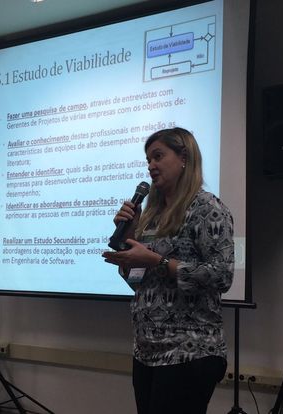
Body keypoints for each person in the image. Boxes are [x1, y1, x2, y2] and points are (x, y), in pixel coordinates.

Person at [102, 127, 234, 414]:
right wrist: (129, 240)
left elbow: (222, 275)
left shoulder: (207, 208)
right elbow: (139, 282)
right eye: (148, 159)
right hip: (146, 352)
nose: (151, 165)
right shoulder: (151, 216)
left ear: (184, 157)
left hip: (189, 351)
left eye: (158, 156)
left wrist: (158, 261)